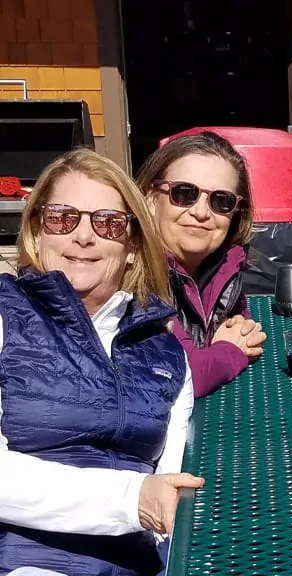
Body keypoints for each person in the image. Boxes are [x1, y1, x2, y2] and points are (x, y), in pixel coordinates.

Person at [0, 149, 205, 575]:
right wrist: (132, 500)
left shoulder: (166, 352)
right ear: (37, 232)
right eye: (62, 217)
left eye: (108, 223)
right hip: (28, 561)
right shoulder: (5, 317)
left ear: (131, 246)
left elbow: (172, 481)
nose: (83, 237)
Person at [135, 131, 266, 398]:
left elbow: (238, 325)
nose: (202, 212)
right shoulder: (134, 271)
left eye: (221, 201)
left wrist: (238, 335)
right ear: (150, 199)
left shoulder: (225, 263)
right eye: (184, 194)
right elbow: (181, 375)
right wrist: (230, 351)